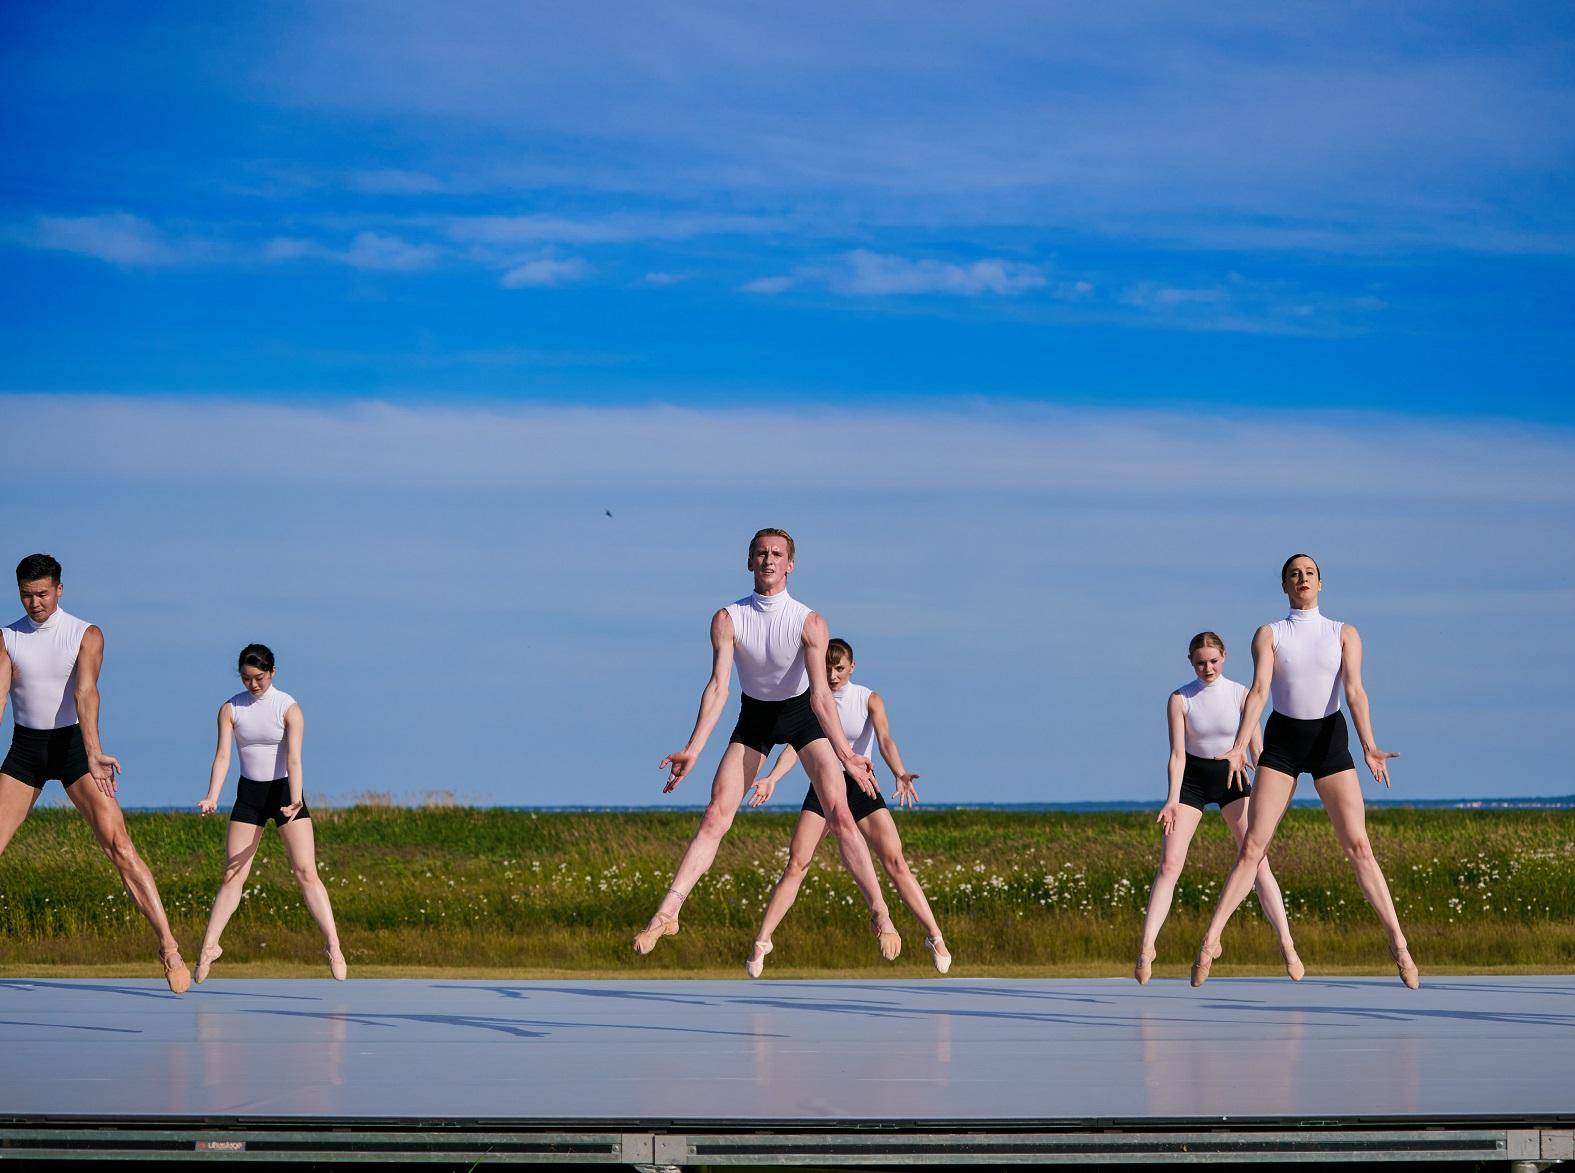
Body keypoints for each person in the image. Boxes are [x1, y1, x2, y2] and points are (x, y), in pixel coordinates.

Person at [634, 528, 903, 960]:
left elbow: (820, 696)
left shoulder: (809, 621)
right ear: (749, 561)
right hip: (754, 719)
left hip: (802, 718)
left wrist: (846, 754)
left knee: (839, 813)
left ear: (790, 564)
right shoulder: (728, 618)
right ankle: (669, 911)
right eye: (761, 553)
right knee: (715, 815)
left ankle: (879, 912)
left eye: (777, 554)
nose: (768, 560)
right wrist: (694, 749)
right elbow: (719, 687)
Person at [1191, 555, 1418, 988]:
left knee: (1359, 847)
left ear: (1320, 582)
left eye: (1309, 573)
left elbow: (1354, 691)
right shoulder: (1270, 633)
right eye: (1294, 574)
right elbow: (1258, 691)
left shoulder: (1343, 633)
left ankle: (1398, 943)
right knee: (1252, 847)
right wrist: (1240, 745)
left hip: (1329, 740)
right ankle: (1210, 942)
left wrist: (1369, 746)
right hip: (1284, 744)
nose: (1302, 579)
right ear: (1284, 586)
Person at [0, 553, 190, 993]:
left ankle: (168, 946)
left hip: (71, 747)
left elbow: (86, 693)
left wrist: (94, 753)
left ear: (59, 589)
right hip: (25, 751)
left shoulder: (84, 634)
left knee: (119, 845)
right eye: (26, 595)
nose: (35, 602)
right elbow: (1, 696)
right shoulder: (7, 637)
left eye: (43, 593)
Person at [742, 638, 952, 976]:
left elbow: (884, 739)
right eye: (826, 668)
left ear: (851, 667)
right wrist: (772, 779)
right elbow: (795, 750)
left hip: (860, 785)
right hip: (825, 786)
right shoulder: (811, 703)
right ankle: (762, 941)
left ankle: (934, 936)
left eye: (839, 668)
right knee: (797, 863)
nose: (833, 674)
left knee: (896, 861)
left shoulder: (867, 698)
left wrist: (899, 772)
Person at [1134, 632, 1302, 984]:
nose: (1207, 668)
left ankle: (1287, 945)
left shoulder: (1242, 695)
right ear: (1191, 663)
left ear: (1224, 657)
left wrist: (1270, 794)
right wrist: (1171, 799)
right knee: (1169, 864)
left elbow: (1259, 752)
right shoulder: (1181, 699)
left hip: (1234, 779)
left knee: (1257, 862)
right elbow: (1177, 756)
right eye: (1200, 662)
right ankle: (1147, 947)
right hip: (1192, 781)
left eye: (1213, 660)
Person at [193, 644, 347, 982]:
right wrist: (212, 796)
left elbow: (294, 758)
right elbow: (222, 757)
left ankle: (333, 945)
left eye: (259, 678)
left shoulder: (288, 708)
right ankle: (209, 947)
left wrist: (295, 800)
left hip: (283, 793)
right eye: (247, 679)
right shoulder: (231, 708)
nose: (253, 685)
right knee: (233, 875)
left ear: (272, 673)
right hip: (249, 796)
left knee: (305, 871)